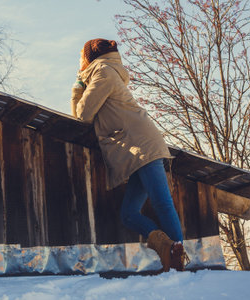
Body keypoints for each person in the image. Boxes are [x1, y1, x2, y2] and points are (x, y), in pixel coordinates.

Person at [71, 38, 185, 271]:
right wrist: (80, 85)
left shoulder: (103, 72)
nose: (80, 60)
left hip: (142, 145)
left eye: (81, 56)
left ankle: (177, 259)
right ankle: (168, 247)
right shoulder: (102, 73)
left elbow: (83, 114)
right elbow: (79, 116)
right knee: (129, 214)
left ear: (89, 57)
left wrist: (78, 85)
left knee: (162, 203)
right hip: (134, 150)